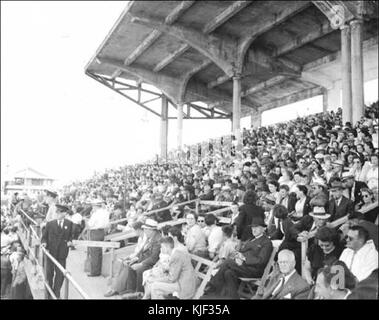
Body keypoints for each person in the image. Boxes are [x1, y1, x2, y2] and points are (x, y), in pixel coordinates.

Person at [203, 216, 273, 299]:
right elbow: (242, 252)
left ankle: (211, 286)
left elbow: (261, 260)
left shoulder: (267, 242)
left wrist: (244, 259)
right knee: (228, 273)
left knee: (228, 262)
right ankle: (233, 297)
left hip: (255, 270)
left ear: (263, 229)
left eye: (257, 227)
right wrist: (238, 257)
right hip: (244, 267)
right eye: (253, 227)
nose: (254, 230)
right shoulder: (252, 239)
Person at [122, 218, 162, 298]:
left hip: (150, 264)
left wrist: (140, 264)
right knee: (131, 266)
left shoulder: (157, 241)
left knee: (140, 270)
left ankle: (139, 293)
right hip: (143, 260)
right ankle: (131, 290)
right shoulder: (149, 237)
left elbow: (153, 258)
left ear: (152, 230)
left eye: (146, 229)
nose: (145, 231)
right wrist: (135, 258)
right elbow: (141, 250)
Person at [104, 221, 145, 297]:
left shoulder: (145, 239)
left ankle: (115, 289)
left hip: (141, 259)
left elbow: (140, 253)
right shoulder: (140, 238)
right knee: (123, 263)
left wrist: (131, 258)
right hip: (136, 257)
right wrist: (129, 257)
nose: (134, 232)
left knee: (127, 266)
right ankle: (117, 287)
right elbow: (136, 251)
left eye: (134, 230)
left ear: (139, 230)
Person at [41, 204, 73, 298]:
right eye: (57, 212)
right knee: (49, 274)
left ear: (65, 213)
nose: (58, 214)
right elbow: (44, 237)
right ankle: (48, 292)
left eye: (60, 212)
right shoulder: (50, 224)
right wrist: (44, 243)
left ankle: (56, 293)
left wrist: (70, 241)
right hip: (51, 252)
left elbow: (71, 236)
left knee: (60, 275)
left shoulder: (69, 223)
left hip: (62, 253)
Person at [85, 198, 110, 277]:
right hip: (102, 231)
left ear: (95, 206)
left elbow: (89, 225)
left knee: (94, 252)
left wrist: (85, 220)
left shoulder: (95, 214)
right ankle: (97, 270)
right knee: (98, 252)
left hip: (95, 232)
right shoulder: (105, 212)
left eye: (93, 206)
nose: (92, 207)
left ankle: (94, 272)